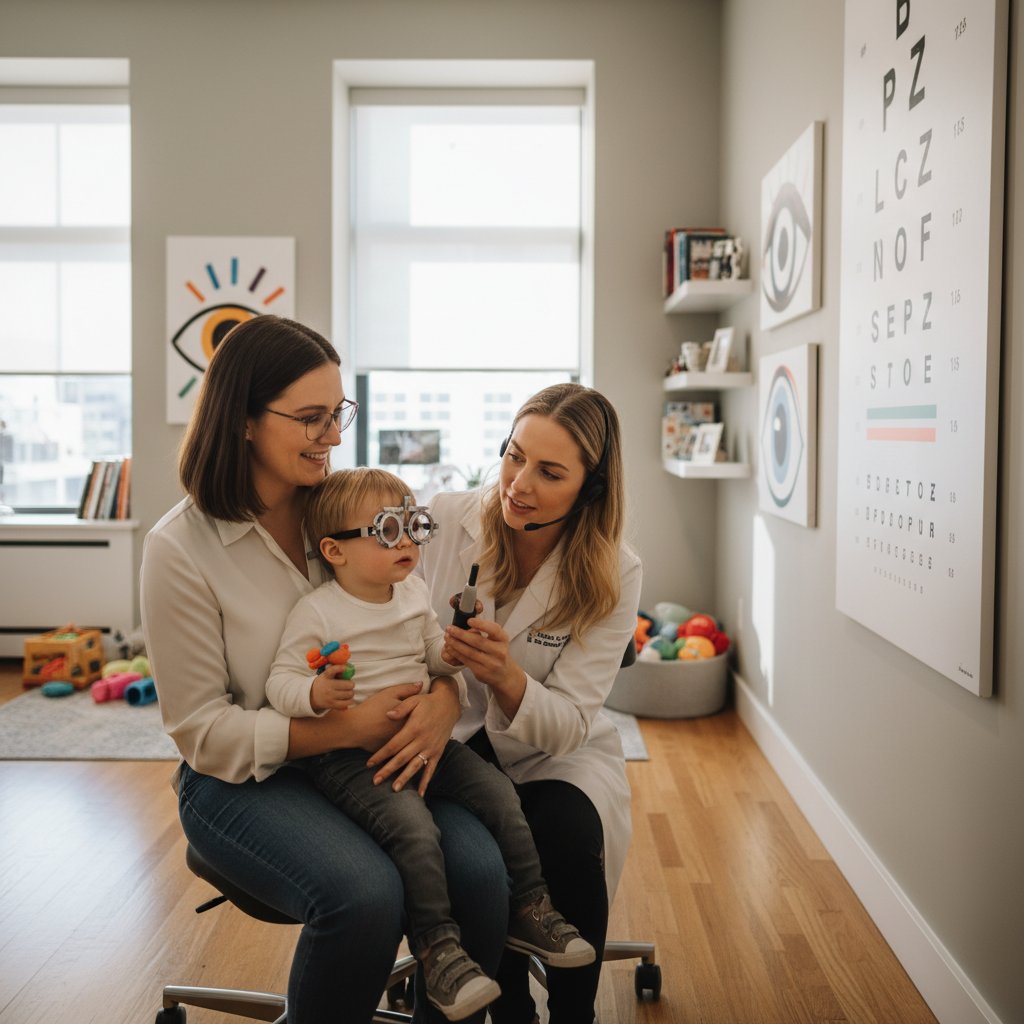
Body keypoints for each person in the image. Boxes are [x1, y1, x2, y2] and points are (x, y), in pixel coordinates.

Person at [139, 315, 509, 1024]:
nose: (334, 437)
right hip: (243, 779)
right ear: (242, 420)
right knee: (364, 894)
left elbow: (416, 632)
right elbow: (201, 733)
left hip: (375, 755)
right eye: (311, 418)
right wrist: (346, 728)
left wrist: (441, 697)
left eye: (337, 413)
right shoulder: (179, 549)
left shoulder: (348, 514)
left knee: (482, 873)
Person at [266, 468, 595, 1021]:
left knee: (497, 793)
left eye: (413, 526)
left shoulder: (413, 592)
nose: (407, 542)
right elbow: (280, 684)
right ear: (334, 550)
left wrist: (457, 650)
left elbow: (433, 659)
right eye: (386, 529)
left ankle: (530, 907)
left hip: (426, 738)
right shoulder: (318, 610)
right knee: (415, 830)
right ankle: (438, 951)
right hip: (351, 756)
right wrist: (316, 693)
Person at [417, 382, 642, 1024]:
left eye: (549, 472)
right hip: (452, 736)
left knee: (570, 836)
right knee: (483, 856)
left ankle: (576, 1013)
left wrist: (509, 678)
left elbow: (571, 722)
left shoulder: (613, 571)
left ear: (591, 488)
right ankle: (509, 1005)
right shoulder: (445, 518)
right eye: (514, 456)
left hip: (551, 752)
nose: (518, 484)